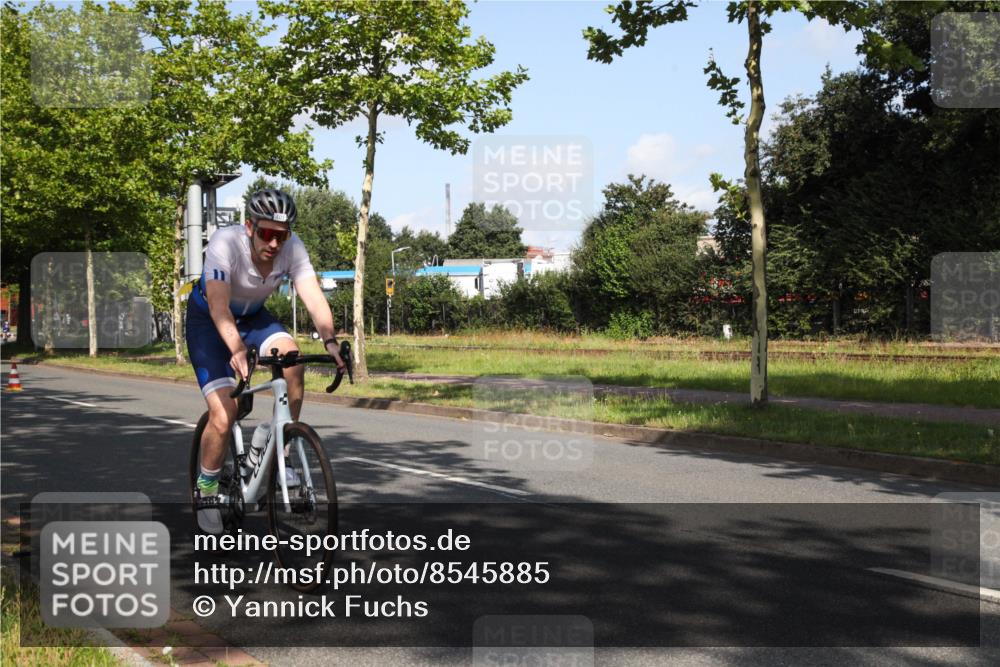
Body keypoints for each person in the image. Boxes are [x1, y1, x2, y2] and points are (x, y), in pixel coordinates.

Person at [186, 188, 346, 534]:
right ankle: (208, 488)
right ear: (249, 227)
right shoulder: (224, 244)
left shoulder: (293, 248)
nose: (274, 244)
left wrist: (330, 340)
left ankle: (276, 449)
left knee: (293, 363)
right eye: (267, 234)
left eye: (282, 235)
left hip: (254, 319)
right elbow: (218, 307)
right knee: (224, 413)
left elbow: (313, 296)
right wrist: (236, 349)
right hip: (210, 323)